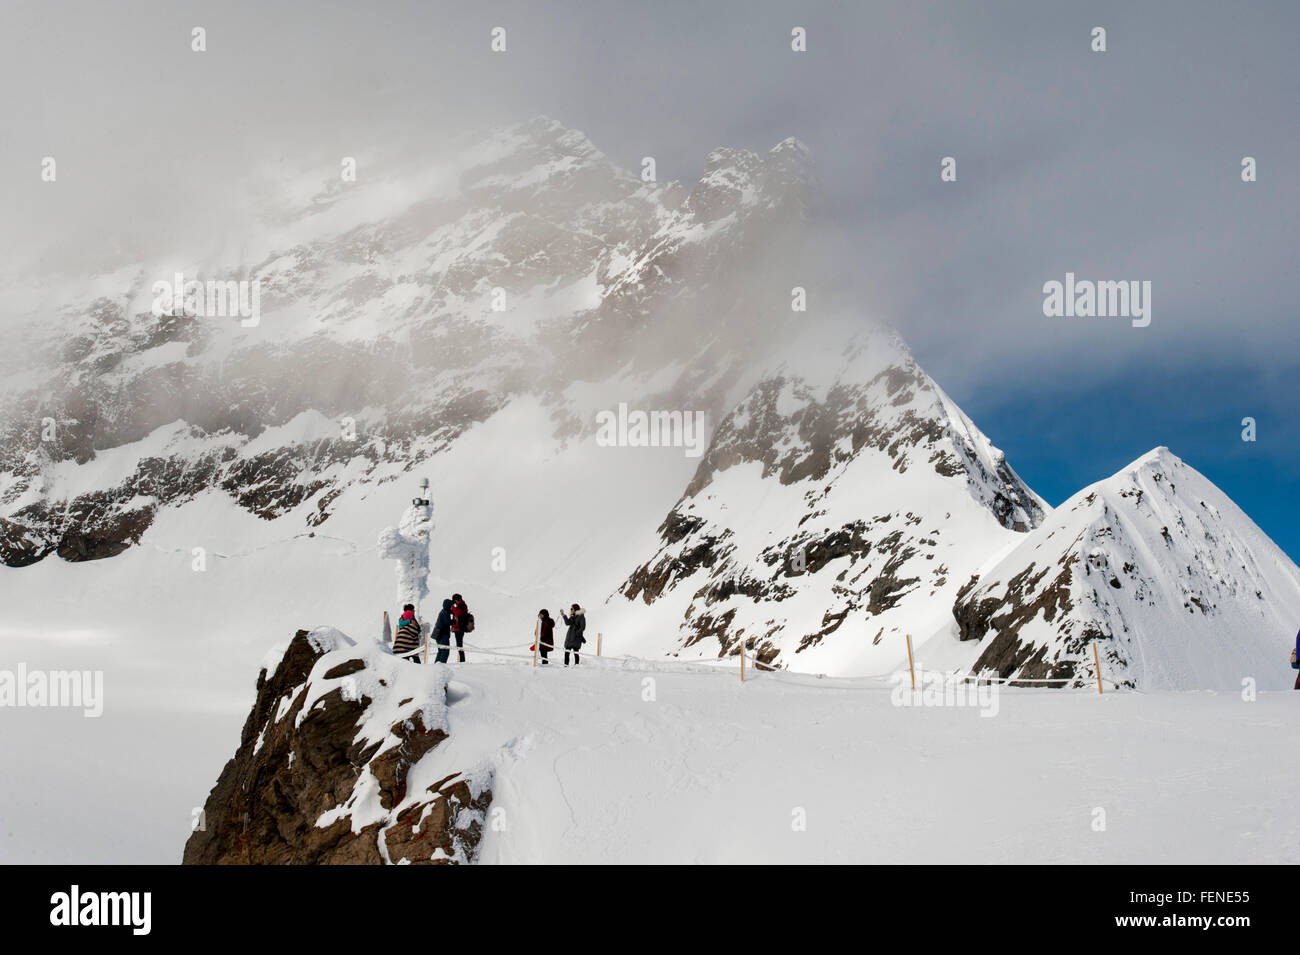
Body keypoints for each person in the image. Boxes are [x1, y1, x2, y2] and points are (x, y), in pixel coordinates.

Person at [432, 598, 453, 664]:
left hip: (437, 634)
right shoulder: (445, 612)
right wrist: (455, 621)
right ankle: (441, 666)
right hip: (443, 634)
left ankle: (436, 665)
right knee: (445, 651)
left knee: (441, 651)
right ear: (448, 605)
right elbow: (447, 622)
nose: (452, 607)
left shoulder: (443, 611)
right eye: (451, 605)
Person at [450, 593, 469, 663]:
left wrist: (452, 607)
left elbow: (457, 613)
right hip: (458, 628)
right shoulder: (461, 605)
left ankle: (462, 661)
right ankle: (462, 660)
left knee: (459, 645)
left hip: (459, 629)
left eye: (455, 601)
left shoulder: (462, 606)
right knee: (459, 645)